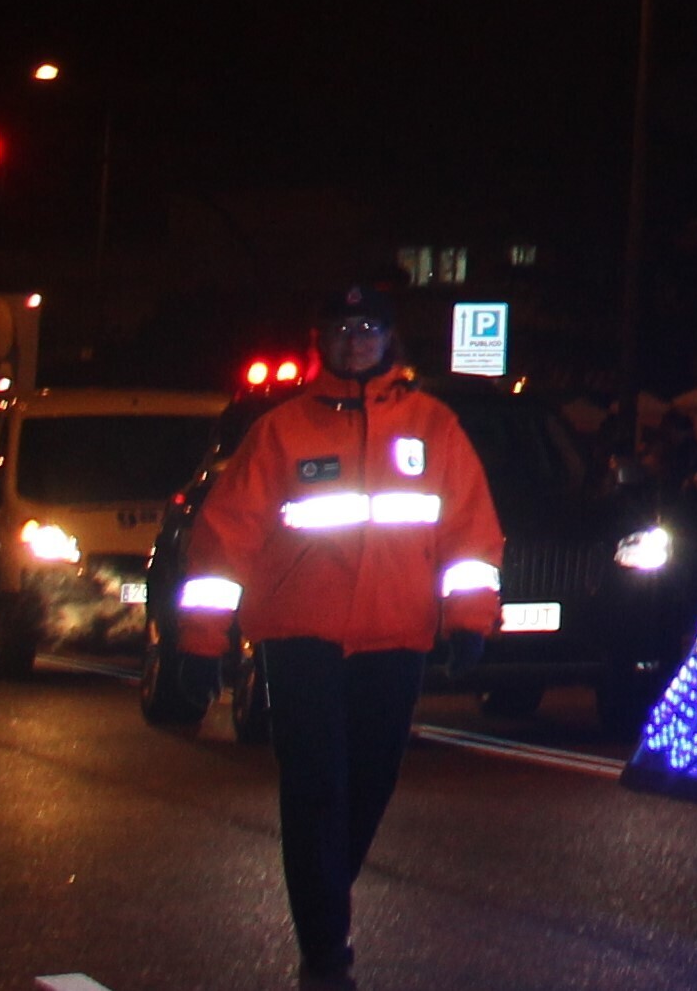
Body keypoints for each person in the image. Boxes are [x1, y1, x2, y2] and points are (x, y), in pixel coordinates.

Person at [175, 286, 505, 980]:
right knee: (315, 788)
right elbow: (224, 538)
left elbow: (469, 532)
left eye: (369, 327)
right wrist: (202, 642)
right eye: (343, 327)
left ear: (390, 339)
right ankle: (325, 954)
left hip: (395, 638)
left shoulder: (433, 426)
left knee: (369, 785)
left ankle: (324, 894)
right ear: (321, 339)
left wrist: (469, 617)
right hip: (302, 639)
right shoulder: (281, 430)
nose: (356, 339)